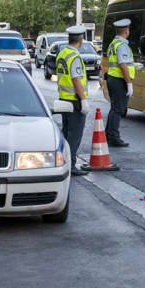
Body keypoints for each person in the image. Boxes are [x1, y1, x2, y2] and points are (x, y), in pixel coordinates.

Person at [56, 25, 89, 176]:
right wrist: (83, 100)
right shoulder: (74, 57)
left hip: (63, 98)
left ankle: (64, 161)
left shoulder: (62, 53)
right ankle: (71, 164)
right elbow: (76, 80)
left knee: (67, 133)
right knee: (74, 135)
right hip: (74, 101)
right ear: (81, 39)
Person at [105, 18, 135, 147]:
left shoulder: (113, 43)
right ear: (126, 31)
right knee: (118, 110)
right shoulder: (122, 45)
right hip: (119, 80)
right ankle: (114, 137)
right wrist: (129, 83)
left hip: (112, 78)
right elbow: (122, 65)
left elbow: (123, 63)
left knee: (114, 108)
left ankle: (109, 134)